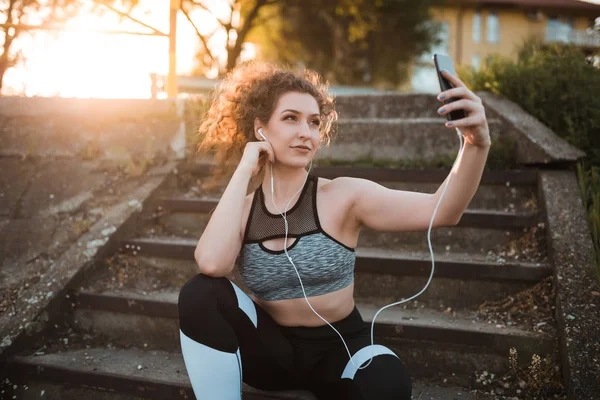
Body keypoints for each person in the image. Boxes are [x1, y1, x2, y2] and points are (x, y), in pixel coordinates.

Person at [177, 61, 491, 400]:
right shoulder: (240, 207)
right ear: (260, 129)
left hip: (342, 349)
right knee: (200, 291)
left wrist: (476, 144)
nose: (305, 132)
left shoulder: (344, 196)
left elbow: (441, 210)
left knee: (388, 384)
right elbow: (211, 265)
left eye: (314, 122)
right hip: (272, 354)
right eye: (290, 118)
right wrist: (244, 168)